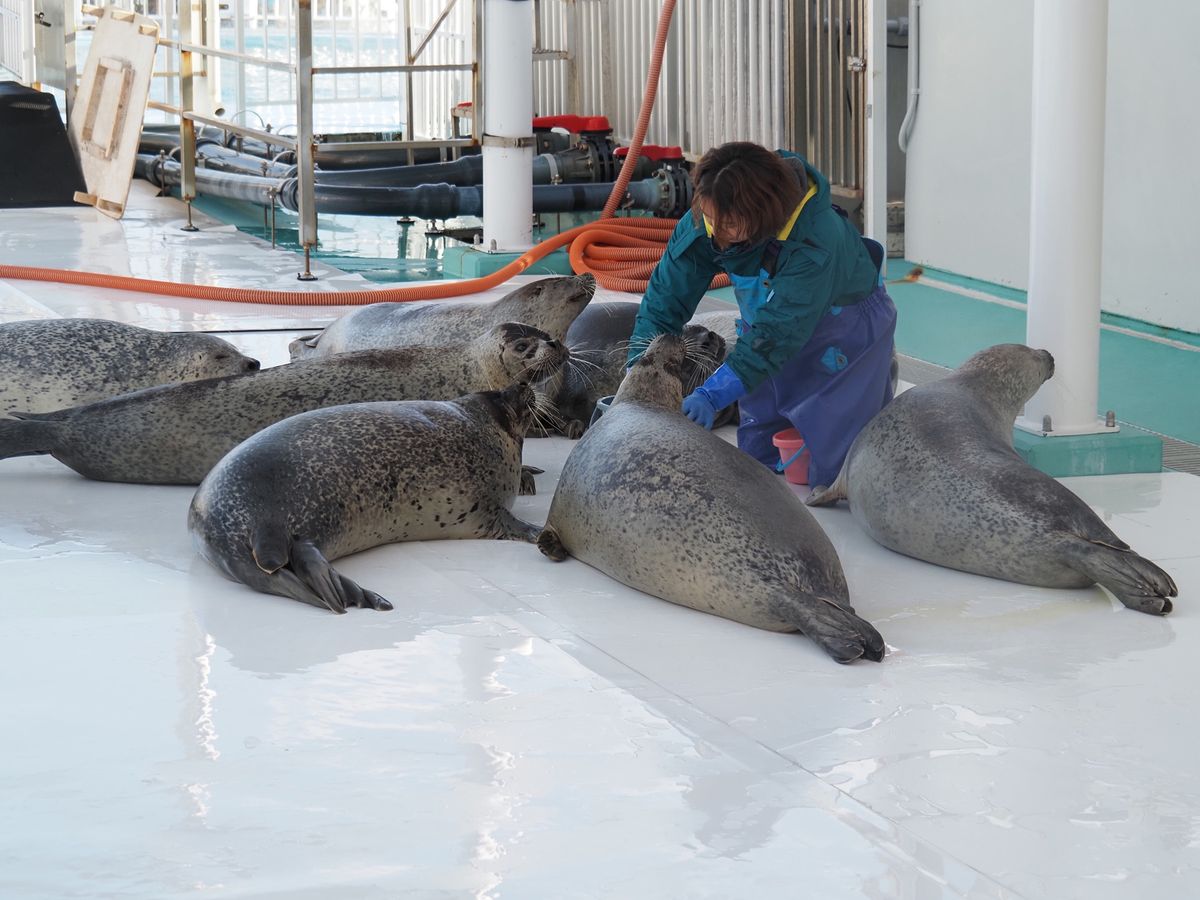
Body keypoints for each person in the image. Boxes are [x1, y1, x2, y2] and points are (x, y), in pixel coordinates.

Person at [626, 141, 897, 487]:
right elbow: (666, 299)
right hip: (766, 329)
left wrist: (712, 395)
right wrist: (639, 371)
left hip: (842, 334)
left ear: (764, 215)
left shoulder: (817, 240)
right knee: (758, 455)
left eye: (730, 226)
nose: (717, 233)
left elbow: (778, 334)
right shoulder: (712, 215)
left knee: (841, 466)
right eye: (710, 219)